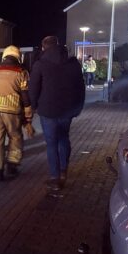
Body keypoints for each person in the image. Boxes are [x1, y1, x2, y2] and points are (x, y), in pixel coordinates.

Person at [29, 36, 85, 193]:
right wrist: (78, 107)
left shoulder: (40, 64)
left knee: (52, 143)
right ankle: (63, 171)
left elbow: (33, 88)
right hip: (67, 110)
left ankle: (55, 177)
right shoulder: (73, 63)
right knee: (64, 139)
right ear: (59, 45)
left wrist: (33, 106)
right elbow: (80, 87)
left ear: (43, 47)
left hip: (48, 110)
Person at [0, 46, 32, 182]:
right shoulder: (21, 72)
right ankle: (12, 165)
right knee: (15, 137)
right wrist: (28, 114)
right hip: (12, 111)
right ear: (18, 57)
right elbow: (25, 95)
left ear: (4, 57)